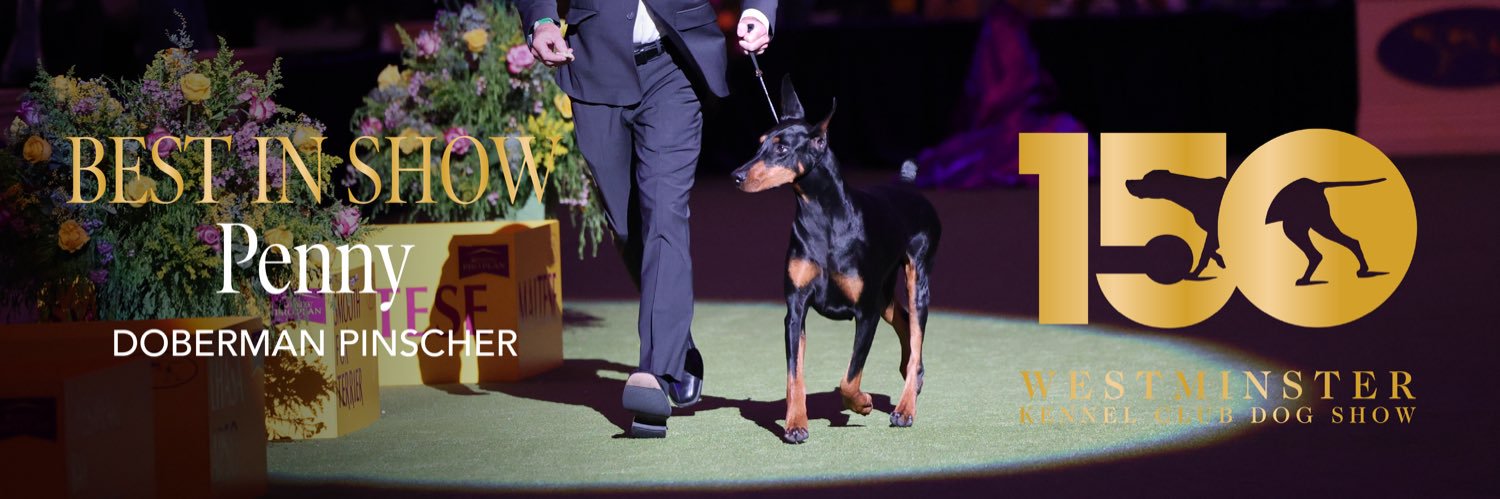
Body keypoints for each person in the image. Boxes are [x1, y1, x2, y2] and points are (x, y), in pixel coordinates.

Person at [516, 0, 777, 438]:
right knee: (626, 225)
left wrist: (758, 10)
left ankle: (654, 376)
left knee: (664, 213)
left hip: (675, 65)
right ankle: (677, 345)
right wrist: (541, 19)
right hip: (595, 67)